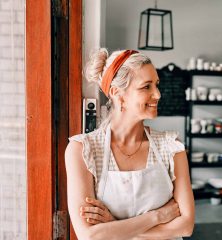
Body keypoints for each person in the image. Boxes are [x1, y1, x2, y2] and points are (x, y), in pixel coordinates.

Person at [65, 49, 195, 240]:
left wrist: (113, 227)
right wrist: (157, 216)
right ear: (118, 94)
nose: (157, 94)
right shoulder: (83, 150)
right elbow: (89, 236)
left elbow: (186, 226)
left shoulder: (171, 146)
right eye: (146, 87)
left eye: (156, 85)